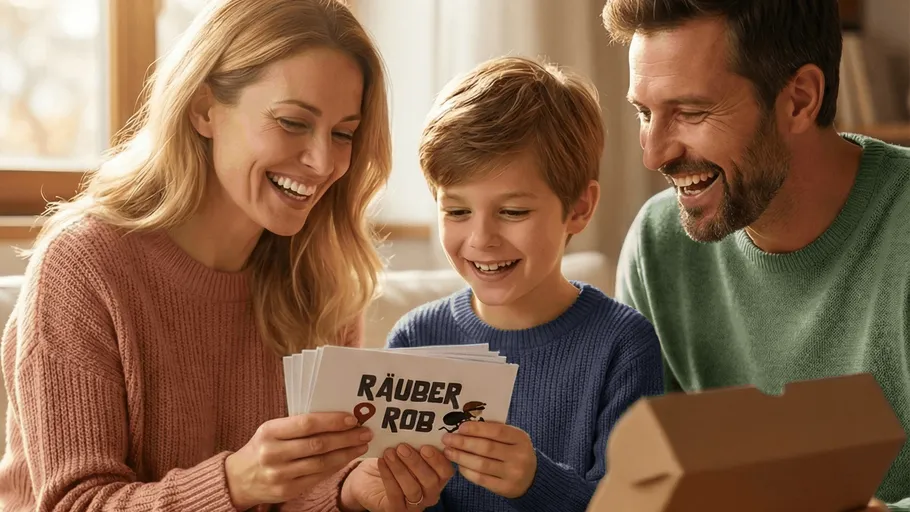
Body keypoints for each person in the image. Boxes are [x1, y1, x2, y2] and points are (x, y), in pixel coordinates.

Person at [0, 0, 453, 510]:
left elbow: (304, 493)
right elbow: (72, 504)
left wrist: (349, 493)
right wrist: (235, 483)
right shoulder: (84, 268)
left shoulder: (322, 279)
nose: (324, 161)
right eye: (292, 122)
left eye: (343, 133)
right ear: (203, 108)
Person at [603, 0, 910, 509]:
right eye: (644, 112)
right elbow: (640, 485)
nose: (653, 153)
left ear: (799, 100)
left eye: (691, 112)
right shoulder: (658, 246)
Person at [386, 56, 664, 511]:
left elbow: (634, 506)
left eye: (513, 212)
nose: (480, 239)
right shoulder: (414, 341)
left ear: (578, 208)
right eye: (456, 211)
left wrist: (537, 481)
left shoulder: (623, 346)